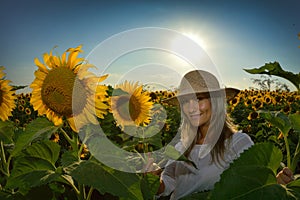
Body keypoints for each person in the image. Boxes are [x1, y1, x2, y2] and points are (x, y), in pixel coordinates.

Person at [146, 70, 294, 200]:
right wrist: (152, 179)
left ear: (215, 102)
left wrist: (276, 183)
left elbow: (254, 188)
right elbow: (167, 185)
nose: (191, 108)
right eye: (186, 101)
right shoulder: (181, 146)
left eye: (199, 99)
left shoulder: (237, 143)